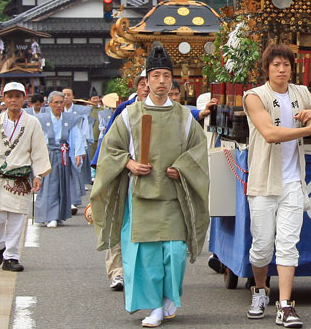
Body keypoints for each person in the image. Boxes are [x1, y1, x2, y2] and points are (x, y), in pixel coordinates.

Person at [90, 44, 209, 327]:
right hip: (141, 195)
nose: (161, 82)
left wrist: (180, 168)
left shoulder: (184, 116)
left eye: (166, 76)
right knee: (147, 256)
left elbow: (198, 151)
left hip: (173, 195)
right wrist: (130, 164)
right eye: (155, 76)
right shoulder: (130, 115)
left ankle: (169, 298)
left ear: (172, 79)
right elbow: (110, 149)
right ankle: (153, 306)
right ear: (146, 81)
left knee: (175, 253)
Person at [243, 43, 311, 328]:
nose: (282, 70)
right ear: (266, 68)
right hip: (263, 183)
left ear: (293, 68)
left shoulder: (302, 93)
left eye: (286, 65)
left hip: (294, 182)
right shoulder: (254, 97)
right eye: (276, 65)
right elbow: (270, 133)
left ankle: (285, 305)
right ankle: (259, 290)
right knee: (262, 247)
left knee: (288, 245)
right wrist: (309, 127)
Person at [0, 82, 51, 272]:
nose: (13, 100)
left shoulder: (32, 123)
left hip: (20, 177)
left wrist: (39, 175)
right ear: (4, 99)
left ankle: (11, 256)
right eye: (10, 96)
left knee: (17, 218)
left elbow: (39, 150)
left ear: (24, 99)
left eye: (18, 96)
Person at [91, 72, 149, 292]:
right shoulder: (124, 109)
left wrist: (201, 112)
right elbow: (108, 142)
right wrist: (101, 170)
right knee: (118, 219)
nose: (146, 87)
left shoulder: (165, 109)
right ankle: (117, 272)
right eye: (142, 83)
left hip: (149, 175)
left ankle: (140, 270)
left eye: (149, 83)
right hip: (121, 172)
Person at [34, 91, 86, 228]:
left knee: (62, 185)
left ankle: (58, 215)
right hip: (48, 155)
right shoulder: (42, 119)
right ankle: (48, 215)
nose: (58, 105)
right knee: (49, 185)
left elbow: (76, 136)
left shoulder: (69, 119)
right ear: (49, 103)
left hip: (64, 155)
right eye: (55, 102)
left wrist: (78, 153)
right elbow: (38, 139)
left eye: (61, 102)